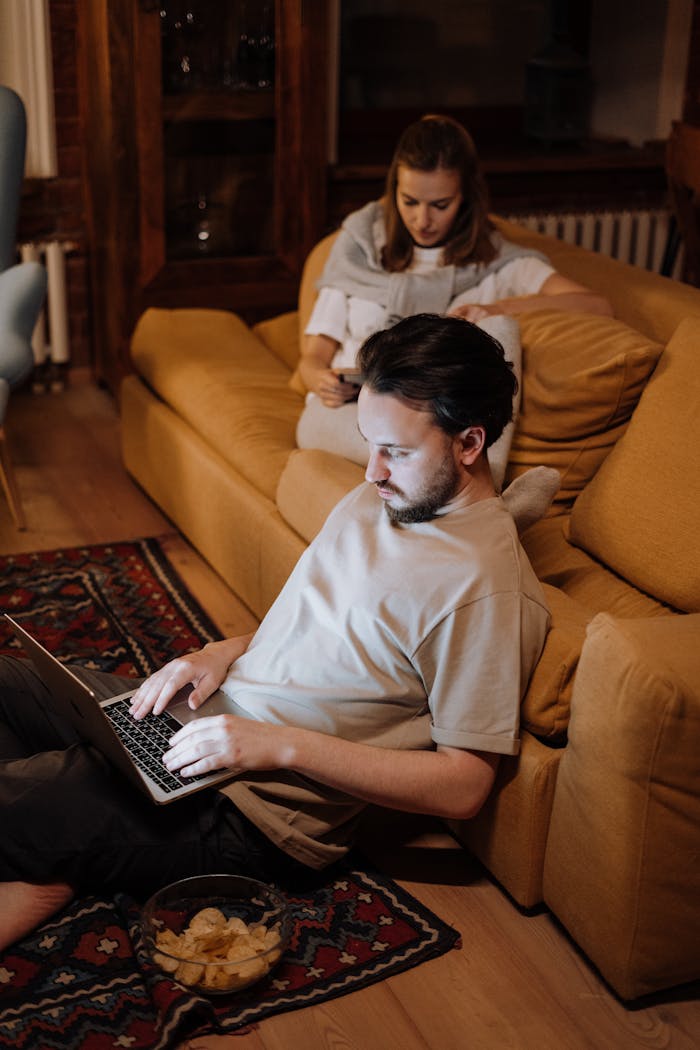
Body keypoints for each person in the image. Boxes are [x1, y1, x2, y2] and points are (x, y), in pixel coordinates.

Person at [0, 314, 550, 951]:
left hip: (252, 812)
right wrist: (219, 654)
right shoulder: (382, 498)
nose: (371, 471)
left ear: (469, 442)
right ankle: (52, 856)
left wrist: (277, 746)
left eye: (395, 451)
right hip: (205, 723)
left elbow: (464, 785)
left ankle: (47, 846)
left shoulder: (483, 589)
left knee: (34, 796)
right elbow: (312, 632)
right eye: (369, 442)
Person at [296, 113, 612, 476]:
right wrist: (322, 382)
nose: (422, 220)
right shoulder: (360, 250)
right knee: (425, 443)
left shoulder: (498, 263)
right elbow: (311, 361)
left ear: (466, 197)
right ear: (393, 190)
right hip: (347, 417)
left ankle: (463, 485)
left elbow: (596, 305)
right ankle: (481, 496)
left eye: (440, 205)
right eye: (409, 201)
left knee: (499, 330)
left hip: (438, 428)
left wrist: (494, 308)